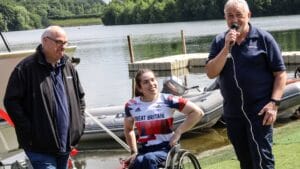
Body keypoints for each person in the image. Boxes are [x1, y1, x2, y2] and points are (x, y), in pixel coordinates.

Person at [205, 0, 287, 169]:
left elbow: (280, 74)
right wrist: (226, 48)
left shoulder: (264, 39)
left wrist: (274, 104)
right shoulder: (220, 41)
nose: (234, 20)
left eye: (239, 15)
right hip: (233, 114)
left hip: (260, 112)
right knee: (245, 162)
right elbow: (211, 72)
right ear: (225, 18)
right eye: (230, 16)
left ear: (248, 16)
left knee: (263, 161)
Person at [4, 25, 86, 169]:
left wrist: (79, 125)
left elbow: (80, 97)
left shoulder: (68, 66)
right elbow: (11, 102)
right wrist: (30, 130)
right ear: (45, 41)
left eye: (65, 43)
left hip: (65, 144)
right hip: (39, 148)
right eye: (59, 42)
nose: (63, 47)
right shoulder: (25, 69)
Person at [123, 69, 203, 169]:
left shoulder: (169, 99)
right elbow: (128, 129)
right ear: (139, 88)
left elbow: (197, 112)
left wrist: (178, 132)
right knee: (137, 161)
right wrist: (134, 151)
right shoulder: (131, 105)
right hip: (144, 149)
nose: (151, 84)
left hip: (167, 148)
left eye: (153, 80)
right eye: (146, 82)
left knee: (148, 159)